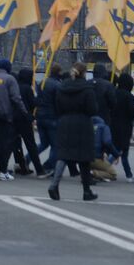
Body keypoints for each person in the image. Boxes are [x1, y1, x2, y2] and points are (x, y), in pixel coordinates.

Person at [45, 62, 100, 202]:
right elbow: (93, 110)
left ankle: (54, 185)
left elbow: (57, 107)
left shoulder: (62, 87)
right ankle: (86, 191)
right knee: (84, 158)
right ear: (84, 73)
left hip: (64, 123)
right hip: (83, 124)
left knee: (63, 155)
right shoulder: (87, 88)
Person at [0, 59, 27, 180]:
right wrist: (24, 112)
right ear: (8, 67)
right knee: (4, 143)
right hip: (5, 115)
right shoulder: (10, 79)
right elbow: (16, 98)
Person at [12, 67, 47, 177]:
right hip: (25, 119)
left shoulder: (15, 86)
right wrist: (39, 99)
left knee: (15, 144)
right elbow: (32, 103)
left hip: (14, 119)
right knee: (31, 145)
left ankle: (20, 166)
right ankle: (39, 169)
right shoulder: (27, 88)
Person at [109, 71, 134, 183]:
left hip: (113, 124)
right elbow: (132, 111)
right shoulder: (128, 96)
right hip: (125, 126)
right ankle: (127, 174)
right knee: (122, 151)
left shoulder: (113, 93)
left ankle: (128, 174)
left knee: (116, 148)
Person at [36, 64, 62, 170]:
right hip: (52, 117)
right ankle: (48, 166)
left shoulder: (42, 82)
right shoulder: (57, 85)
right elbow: (58, 102)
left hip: (40, 115)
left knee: (43, 143)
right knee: (55, 145)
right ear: (59, 72)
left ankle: (27, 159)